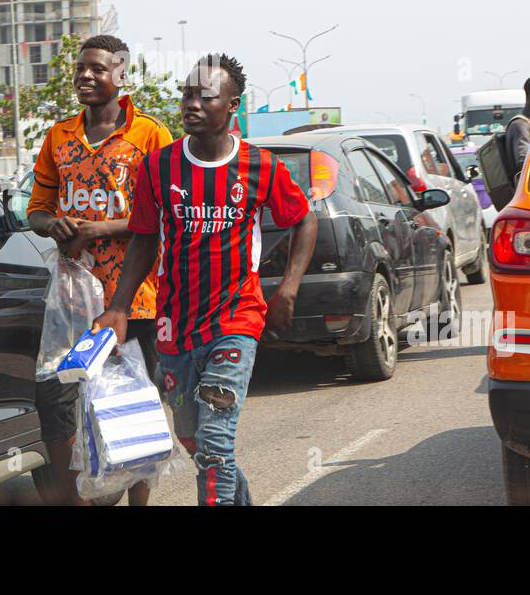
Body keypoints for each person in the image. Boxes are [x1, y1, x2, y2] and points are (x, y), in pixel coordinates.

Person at [94, 53, 319, 506]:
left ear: (231, 105)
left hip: (236, 319)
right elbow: (143, 240)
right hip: (174, 326)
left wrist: (288, 287)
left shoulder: (261, 167)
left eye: (205, 96)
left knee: (215, 442)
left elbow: (303, 219)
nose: (191, 104)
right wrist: (118, 306)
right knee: (194, 440)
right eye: (187, 94)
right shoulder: (158, 168)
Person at [27, 34, 173, 505]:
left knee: (133, 405)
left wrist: (98, 228)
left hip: (134, 298)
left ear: (121, 75)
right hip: (71, 299)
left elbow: (164, 213)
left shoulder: (150, 135)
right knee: (57, 402)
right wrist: (55, 223)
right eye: (80, 70)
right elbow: (36, 210)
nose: (86, 77)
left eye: (97, 69)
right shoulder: (59, 136)